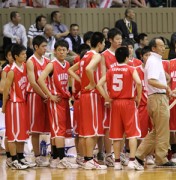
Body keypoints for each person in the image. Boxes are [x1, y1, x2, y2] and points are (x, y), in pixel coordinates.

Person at [96, 46, 143, 171]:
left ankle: (116, 163)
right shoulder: (131, 68)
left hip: (115, 103)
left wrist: (107, 97)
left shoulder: (111, 70)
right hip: (128, 103)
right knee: (132, 134)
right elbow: (138, 82)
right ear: (127, 57)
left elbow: (99, 84)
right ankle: (132, 161)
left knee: (116, 135)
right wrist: (138, 97)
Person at [68, 32, 107, 170]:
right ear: (100, 43)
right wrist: (92, 82)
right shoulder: (96, 56)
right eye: (104, 42)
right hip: (91, 95)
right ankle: (89, 160)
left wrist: (82, 80)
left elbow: (70, 70)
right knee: (92, 131)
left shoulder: (84, 56)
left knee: (85, 132)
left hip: (83, 95)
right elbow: (90, 69)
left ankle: (86, 159)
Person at [135, 37, 176, 168]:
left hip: (156, 98)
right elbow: (151, 80)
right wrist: (166, 87)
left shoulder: (155, 61)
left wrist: (166, 82)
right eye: (160, 46)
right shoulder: (153, 61)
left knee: (157, 130)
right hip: (157, 98)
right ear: (153, 48)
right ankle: (161, 159)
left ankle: (139, 154)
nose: (163, 48)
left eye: (164, 45)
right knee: (163, 131)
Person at [37, 40, 78, 169]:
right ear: (54, 51)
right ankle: (61, 159)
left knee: (58, 131)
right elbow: (40, 79)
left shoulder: (67, 64)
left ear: (67, 51)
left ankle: (54, 158)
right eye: (59, 50)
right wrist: (49, 95)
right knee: (58, 131)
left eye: (64, 50)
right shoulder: (52, 64)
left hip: (64, 100)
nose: (61, 52)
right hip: (55, 101)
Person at [2, 44, 35, 169]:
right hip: (14, 104)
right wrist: (4, 106)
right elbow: (5, 90)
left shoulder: (25, 67)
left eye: (25, 53)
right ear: (16, 56)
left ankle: (21, 158)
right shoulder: (11, 71)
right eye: (22, 54)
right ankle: (14, 160)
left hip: (23, 104)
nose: (25, 56)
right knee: (13, 135)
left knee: (21, 134)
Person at [26, 35, 50, 167]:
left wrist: (49, 94)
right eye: (43, 46)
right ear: (36, 47)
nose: (46, 49)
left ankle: (52, 154)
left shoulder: (47, 60)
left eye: (46, 46)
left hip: (45, 96)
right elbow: (33, 83)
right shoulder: (30, 61)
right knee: (35, 129)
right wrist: (44, 95)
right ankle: (37, 156)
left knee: (47, 127)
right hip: (35, 96)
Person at [100, 28, 123, 167]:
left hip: (123, 96)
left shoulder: (123, 53)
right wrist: (106, 97)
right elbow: (103, 77)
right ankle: (109, 154)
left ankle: (121, 154)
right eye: (117, 39)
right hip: (111, 95)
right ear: (110, 40)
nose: (120, 41)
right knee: (108, 126)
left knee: (123, 126)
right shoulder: (105, 55)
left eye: (121, 39)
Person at [136, 46, 154, 165]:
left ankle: (150, 155)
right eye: (146, 55)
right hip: (141, 106)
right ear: (141, 57)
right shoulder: (136, 70)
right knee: (141, 133)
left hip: (153, 104)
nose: (148, 57)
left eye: (150, 55)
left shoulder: (154, 69)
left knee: (154, 131)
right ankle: (140, 154)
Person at [0, 46, 14, 168]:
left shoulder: (21, 67)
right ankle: (10, 156)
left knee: (15, 132)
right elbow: (2, 89)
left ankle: (18, 155)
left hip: (19, 103)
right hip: (10, 103)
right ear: (7, 57)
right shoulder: (6, 69)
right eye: (9, 55)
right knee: (9, 132)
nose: (12, 57)